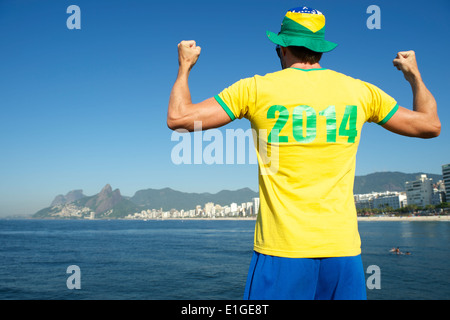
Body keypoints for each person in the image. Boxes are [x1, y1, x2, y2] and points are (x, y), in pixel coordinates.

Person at [167, 6, 440, 300]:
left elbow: (179, 118)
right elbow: (430, 125)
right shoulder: (360, 92)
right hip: (343, 253)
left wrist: (185, 66)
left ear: (282, 48)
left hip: (282, 252)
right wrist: (413, 75)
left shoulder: (255, 89)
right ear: (320, 50)